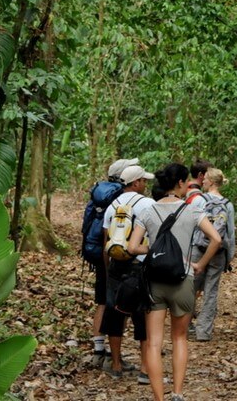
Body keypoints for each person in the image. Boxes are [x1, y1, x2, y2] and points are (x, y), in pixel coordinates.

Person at [128, 163, 222, 401]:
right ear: (181, 183)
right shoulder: (191, 211)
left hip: (154, 282)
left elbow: (131, 247)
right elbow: (216, 239)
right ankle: (178, 394)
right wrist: (199, 265)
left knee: (153, 343)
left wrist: (154, 250)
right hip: (183, 280)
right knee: (179, 338)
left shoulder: (148, 211)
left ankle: (159, 398)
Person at [100, 164, 156, 383]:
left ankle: (115, 365)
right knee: (142, 314)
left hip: (116, 265)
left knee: (115, 313)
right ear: (136, 183)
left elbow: (106, 240)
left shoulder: (111, 205)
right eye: (143, 181)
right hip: (139, 264)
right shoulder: (148, 204)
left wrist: (108, 270)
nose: (146, 184)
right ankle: (144, 369)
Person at [89, 157, 139, 368]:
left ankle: (99, 349)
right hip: (119, 258)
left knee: (103, 301)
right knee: (119, 305)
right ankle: (114, 355)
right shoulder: (122, 198)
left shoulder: (99, 194)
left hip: (102, 253)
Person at [191, 168, 236, 342]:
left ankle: (185, 326)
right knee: (211, 291)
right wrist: (228, 257)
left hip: (198, 249)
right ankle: (204, 332)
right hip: (218, 253)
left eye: (205, 180)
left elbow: (191, 226)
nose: (202, 182)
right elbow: (230, 234)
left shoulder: (198, 201)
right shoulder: (228, 204)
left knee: (190, 289)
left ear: (210, 181)